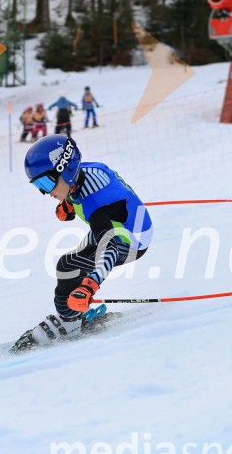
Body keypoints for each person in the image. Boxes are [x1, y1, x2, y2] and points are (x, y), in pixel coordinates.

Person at [13, 135, 153, 352]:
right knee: (73, 263)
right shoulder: (80, 176)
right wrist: (69, 202)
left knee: (67, 267)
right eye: (39, 186)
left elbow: (110, 248)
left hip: (132, 240)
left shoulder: (95, 204)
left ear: (65, 170)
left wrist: (90, 285)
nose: (46, 192)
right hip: (118, 226)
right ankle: (75, 315)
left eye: (47, 183)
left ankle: (69, 322)